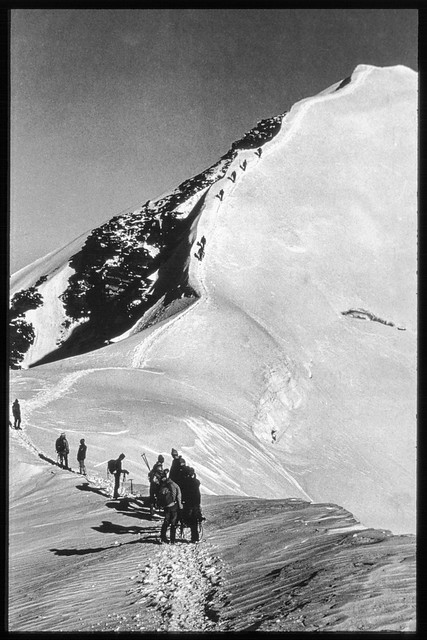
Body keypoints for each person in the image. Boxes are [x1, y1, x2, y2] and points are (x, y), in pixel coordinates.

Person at [157, 469, 183, 544]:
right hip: (173, 505)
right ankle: (172, 540)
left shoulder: (161, 485)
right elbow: (177, 494)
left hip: (166, 506)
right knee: (173, 522)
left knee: (166, 521)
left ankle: (163, 537)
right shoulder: (171, 484)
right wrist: (179, 505)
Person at [180, 467, 202, 543]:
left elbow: (183, 493)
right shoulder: (196, 482)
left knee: (188, 518)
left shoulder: (185, 482)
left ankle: (194, 537)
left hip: (188, 504)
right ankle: (195, 537)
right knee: (195, 520)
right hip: (196, 503)